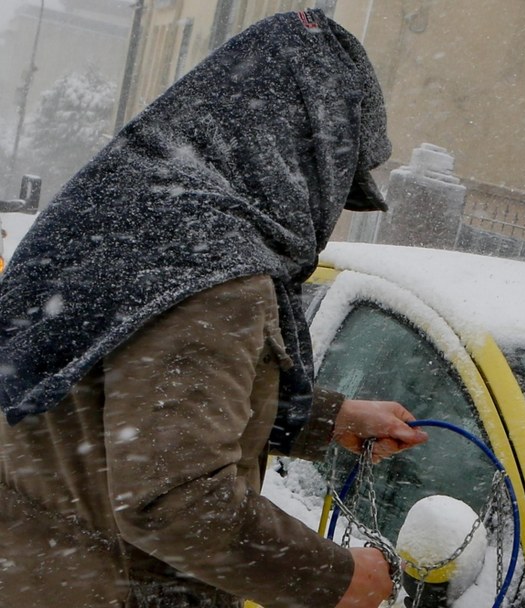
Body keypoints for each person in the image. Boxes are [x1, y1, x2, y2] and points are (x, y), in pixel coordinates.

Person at [0, 9, 428, 608]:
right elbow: (174, 505)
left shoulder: (134, 212)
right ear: (303, 156)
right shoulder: (215, 272)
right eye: (337, 182)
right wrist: (336, 576)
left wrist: (327, 417)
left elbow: (128, 395)